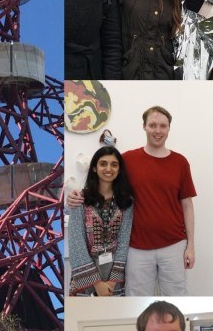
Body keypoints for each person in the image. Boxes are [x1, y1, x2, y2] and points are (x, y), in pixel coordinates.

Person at [67, 106, 197, 296]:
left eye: (163, 126)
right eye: (152, 125)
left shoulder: (180, 162)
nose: (158, 131)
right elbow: (106, 181)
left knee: (177, 297)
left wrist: (191, 246)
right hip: (136, 248)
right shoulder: (127, 160)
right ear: (144, 127)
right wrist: (76, 195)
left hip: (174, 245)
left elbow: (187, 205)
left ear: (169, 128)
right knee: (136, 300)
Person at [68, 146, 133, 296]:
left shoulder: (126, 202)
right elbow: (76, 242)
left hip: (115, 279)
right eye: (103, 163)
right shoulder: (80, 199)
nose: (108, 168)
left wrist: (112, 281)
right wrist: (96, 283)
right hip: (85, 279)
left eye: (114, 164)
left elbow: (124, 242)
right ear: (94, 168)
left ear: (119, 170)